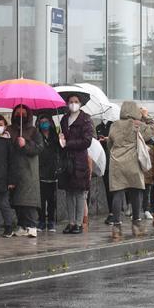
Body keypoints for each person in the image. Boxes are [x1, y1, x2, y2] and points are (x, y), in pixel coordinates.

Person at [108, 102, 154, 238]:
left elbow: (109, 144)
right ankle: (136, 225)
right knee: (136, 192)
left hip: (116, 162)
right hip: (133, 162)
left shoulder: (114, 125)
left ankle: (116, 228)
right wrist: (146, 116)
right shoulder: (137, 125)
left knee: (117, 194)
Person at [59, 94, 94, 235]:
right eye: (71, 102)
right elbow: (63, 141)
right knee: (69, 193)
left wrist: (69, 143)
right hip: (67, 161)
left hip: (79, 160)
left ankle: (79, 223)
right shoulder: (64, 119)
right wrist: (61, 139)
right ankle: (71, 222)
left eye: (76, 102)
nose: (73, 104)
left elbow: (87, 141)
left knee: (79, 193)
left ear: (80, 103)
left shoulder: (85, 119)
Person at [8, 105, 43, 238]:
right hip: (14, 169)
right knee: (17, 200)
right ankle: (22, 225)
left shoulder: (34, 131)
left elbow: (39, 148)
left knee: (28, 200)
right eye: (17, 113)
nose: (20, 115)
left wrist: (26, 144)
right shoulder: (10, 130)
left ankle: (32, 225)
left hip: (29, 170)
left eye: (23, 113)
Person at [37, 114, 60, 232]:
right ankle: (41, 221)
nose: (44, 124)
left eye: (46, 122)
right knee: (41, 199)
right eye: (42, 122)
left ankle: (51, 221)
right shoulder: (38, 136)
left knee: (52, 199)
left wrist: (61, 140)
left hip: (52, 171)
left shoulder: (55, 136)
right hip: (41, 172)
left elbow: (60, 150)